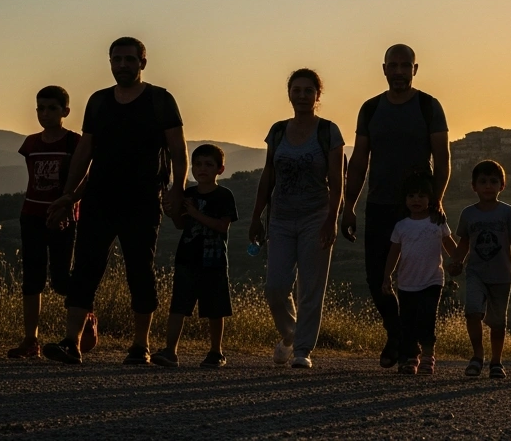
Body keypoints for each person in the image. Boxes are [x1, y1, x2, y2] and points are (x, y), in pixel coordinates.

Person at [44, 37, 187, 365]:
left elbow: (178, 149)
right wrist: (68, 193)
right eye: (116, 59)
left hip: (142, 199)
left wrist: (177, 188)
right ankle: (71, 343)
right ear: (110, 63)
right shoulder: (98, 102)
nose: (122, 65)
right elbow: (85, 151)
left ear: (142, 63)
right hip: (99, 198)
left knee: (140, 270)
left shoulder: (160, 100)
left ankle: (140, 346)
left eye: (129, 60)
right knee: (85, 269)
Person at [342, 44, 450, 369]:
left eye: (406, 65)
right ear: (384, 68)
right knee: (378, 278)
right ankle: (398, 334)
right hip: (378, 205)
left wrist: (437, 200)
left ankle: (407, 346)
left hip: (416, 209)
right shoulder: (371, 109)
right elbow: (359, 161)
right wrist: (349, 206)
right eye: (394, 65)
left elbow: (443, 158)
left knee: (415, 280)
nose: (400, 71)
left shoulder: (429, 107)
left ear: (415, 69)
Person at [249, 68, 345, 369]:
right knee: (275, 287)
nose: (302, 95)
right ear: (289, 93)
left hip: (316, 217)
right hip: (279, 218)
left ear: (318, 95)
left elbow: (336, 179)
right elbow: (269, 175)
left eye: (308, 90)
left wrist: (333, 219)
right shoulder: (278, 131)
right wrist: (256, 216)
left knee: (311, 287)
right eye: (297, 90)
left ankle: (303, 350)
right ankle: (290, 334)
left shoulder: (328, 131)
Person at [9, 86, 92, 359]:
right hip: (32, 215)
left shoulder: (75, 143)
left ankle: (85, 316)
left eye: (52, 108)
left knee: (60, 280)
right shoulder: (30, 143)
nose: (45, 114)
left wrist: (69, 204)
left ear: (65, 111)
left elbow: (86, 179)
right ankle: (30, 340)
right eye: (40, 108)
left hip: (64, 216)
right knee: (32, 279)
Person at [152, 145, 238, 368]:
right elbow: (182, 224)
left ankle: (216, 352)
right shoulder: (188, 194)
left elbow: (221, 226)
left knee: (215, 309)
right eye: (198, 164)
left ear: (220, 169)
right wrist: (172, 211)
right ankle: (170, 351)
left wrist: (195, 213)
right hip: (187, 259)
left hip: (214, 260)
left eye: (209, 165)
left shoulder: (224, 196)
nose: (202, 169)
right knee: (178, 307)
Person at [449, 160, 511, 379]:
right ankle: (477, 356)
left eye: (493, 181)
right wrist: (456, 261)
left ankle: (496, 361)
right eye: (482, 181)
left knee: (498, 322)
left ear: (502, 185)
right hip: (475, 273)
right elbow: (464, 243)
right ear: (473, 186)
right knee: (472, 312)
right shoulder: (468, 214)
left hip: (502, 275)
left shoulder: (508, 213)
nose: (488, 186)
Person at [380, 174, 458, 376]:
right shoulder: (402, 226)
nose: (416, 200)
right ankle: (411, 357)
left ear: (430, 199)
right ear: (405, 200)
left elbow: (450, 245)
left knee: (427, 318)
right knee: (407, 322)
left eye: (421, 196)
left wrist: (457, 261)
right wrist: (387, 276)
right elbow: (394, 252)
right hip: (407, 283)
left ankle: (428, 357)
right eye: (412, 196)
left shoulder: (437, 222)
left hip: (432, 280)